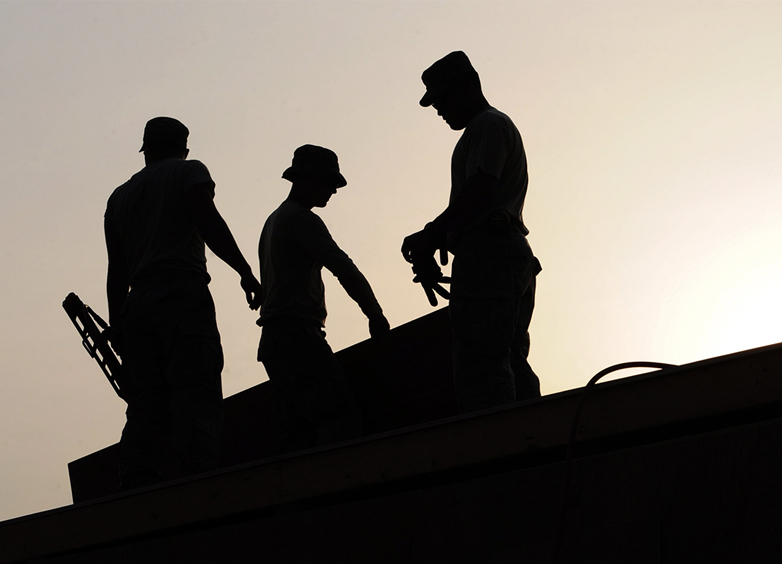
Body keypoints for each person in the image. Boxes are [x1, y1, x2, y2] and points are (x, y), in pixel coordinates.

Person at [105, 117, 262, 489]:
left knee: (145, 403)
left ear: (146, 151)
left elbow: (117, 271)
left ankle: (137, 482)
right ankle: (198, 480)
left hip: (137, 305)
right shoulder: (189, 172)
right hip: (180, 293)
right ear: (183, 148)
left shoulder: (119, 197)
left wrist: (117, 326)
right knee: (196, 386)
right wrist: (244, 270)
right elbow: (208, 222)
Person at [402, 51, 541, 412]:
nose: (438, 110)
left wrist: (432, 235)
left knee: (483, 365)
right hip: (502, 254)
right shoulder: (484, 130)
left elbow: (480, 190)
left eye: (442, 99)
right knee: (508, 360)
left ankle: (498, 452)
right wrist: (442, 240)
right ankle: (534, 443)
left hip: (491, 256)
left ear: (467, 86)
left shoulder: (487, 125)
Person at [257, 144, 390, 452]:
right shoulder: (301, 219)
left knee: (297, 435)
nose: (333, 190)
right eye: (328, 182)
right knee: (340, 421)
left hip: (276, 342)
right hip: (296, 338)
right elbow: (342, 267)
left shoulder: (274, 220)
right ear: (306, 179)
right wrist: (374, 313)